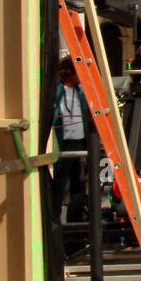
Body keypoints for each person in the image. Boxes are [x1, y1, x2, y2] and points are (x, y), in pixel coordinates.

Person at [52, 55, 90, 225]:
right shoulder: (56, 91)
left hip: (80, 143)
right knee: (59, 187)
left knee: (79, 187)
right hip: (62, 143)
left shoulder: (81, 92)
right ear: (70, 73)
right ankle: (54, 222)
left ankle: (75, 222)